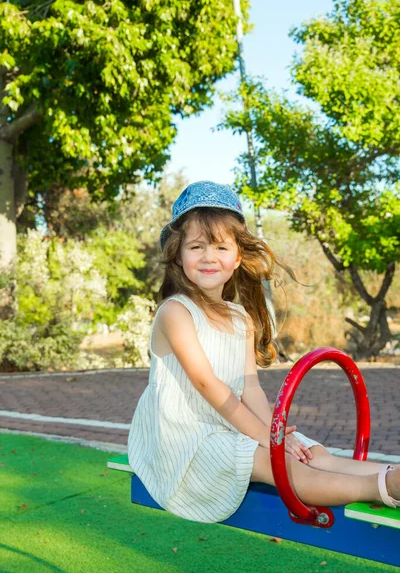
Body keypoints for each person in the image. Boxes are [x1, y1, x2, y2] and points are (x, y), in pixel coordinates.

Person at [127, 180, 400, 523]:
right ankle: (381, 487)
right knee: (273, 459)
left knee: (306, 451)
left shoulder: (240, 318)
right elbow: (209, 386)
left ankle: (389, 471)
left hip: (224, 426)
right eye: (196, 247)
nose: (209, 257)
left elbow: (250, 388)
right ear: (179, 256)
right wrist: (268, 442)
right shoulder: (176, 313)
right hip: (182, 443)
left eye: (220, 248)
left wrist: (276, 432)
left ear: (238, 256)